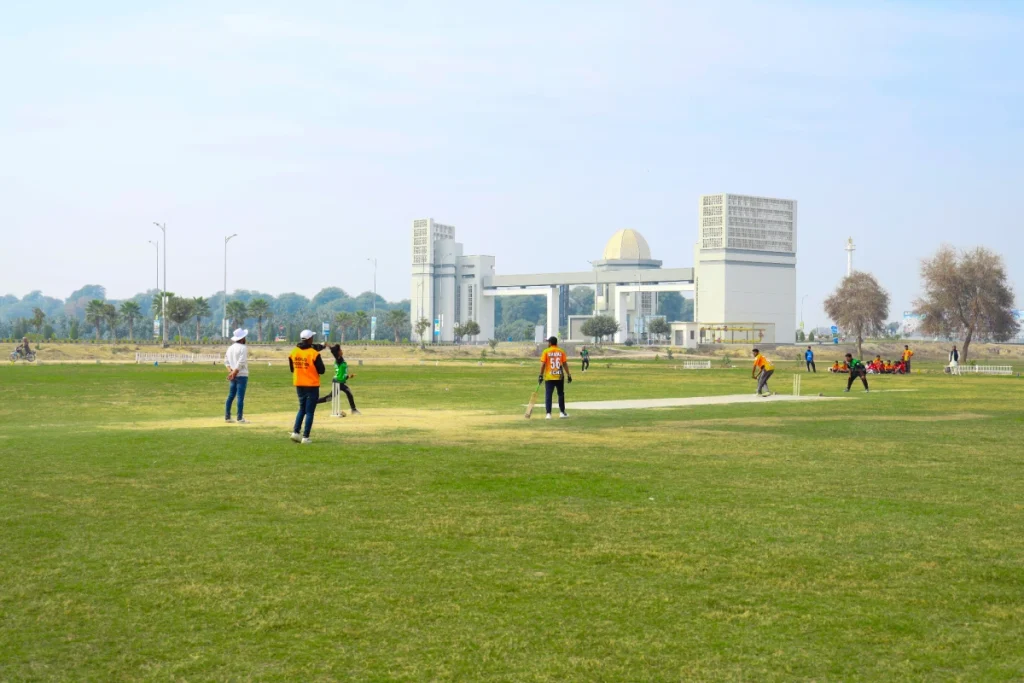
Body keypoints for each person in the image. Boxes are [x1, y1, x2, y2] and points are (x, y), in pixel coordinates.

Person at [289, 329, 326, 444]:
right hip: (311, 385)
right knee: (309, 411)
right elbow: (322, 370)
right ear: (310, 339)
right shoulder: (314, 353)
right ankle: (305, 437)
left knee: (302, 409)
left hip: (299, 384)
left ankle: (295, 432)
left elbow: (292, 369)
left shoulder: (294, 352)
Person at [317, 345, 361, 415]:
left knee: (347, 394)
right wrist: (331, 348)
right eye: (340, 350)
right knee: (331, 398)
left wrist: (349, 376)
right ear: (337, 353)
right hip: (337, 382)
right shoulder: (339, 360)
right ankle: (314, 402)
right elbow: (335, 355)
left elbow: (341, 373)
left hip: (341, 382)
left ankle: (353, 410)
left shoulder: (341, 359)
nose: (342, 351)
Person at [539, 336, 572, 419]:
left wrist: (540, 375)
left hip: (549, 377)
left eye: (548, 342)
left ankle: (548, 414)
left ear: (550, 343)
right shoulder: (561, 351)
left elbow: (543, 364)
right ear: (556, 343)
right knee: (560, 394)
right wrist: (569, 375)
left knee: (548, 395)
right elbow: (564, 364)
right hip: (559, 376)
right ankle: (561, 412)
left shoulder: (546, 351)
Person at [224, 328, 249, 423]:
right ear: (242, 338)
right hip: (241, 374)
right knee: (240, 397)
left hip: (233, 375)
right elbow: (241, 362)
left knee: (231, 396)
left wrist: (231, 372)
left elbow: (226, 361)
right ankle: (239, 418)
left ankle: (227, 417)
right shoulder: (243, 348)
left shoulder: (230, 348)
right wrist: (234, 372)